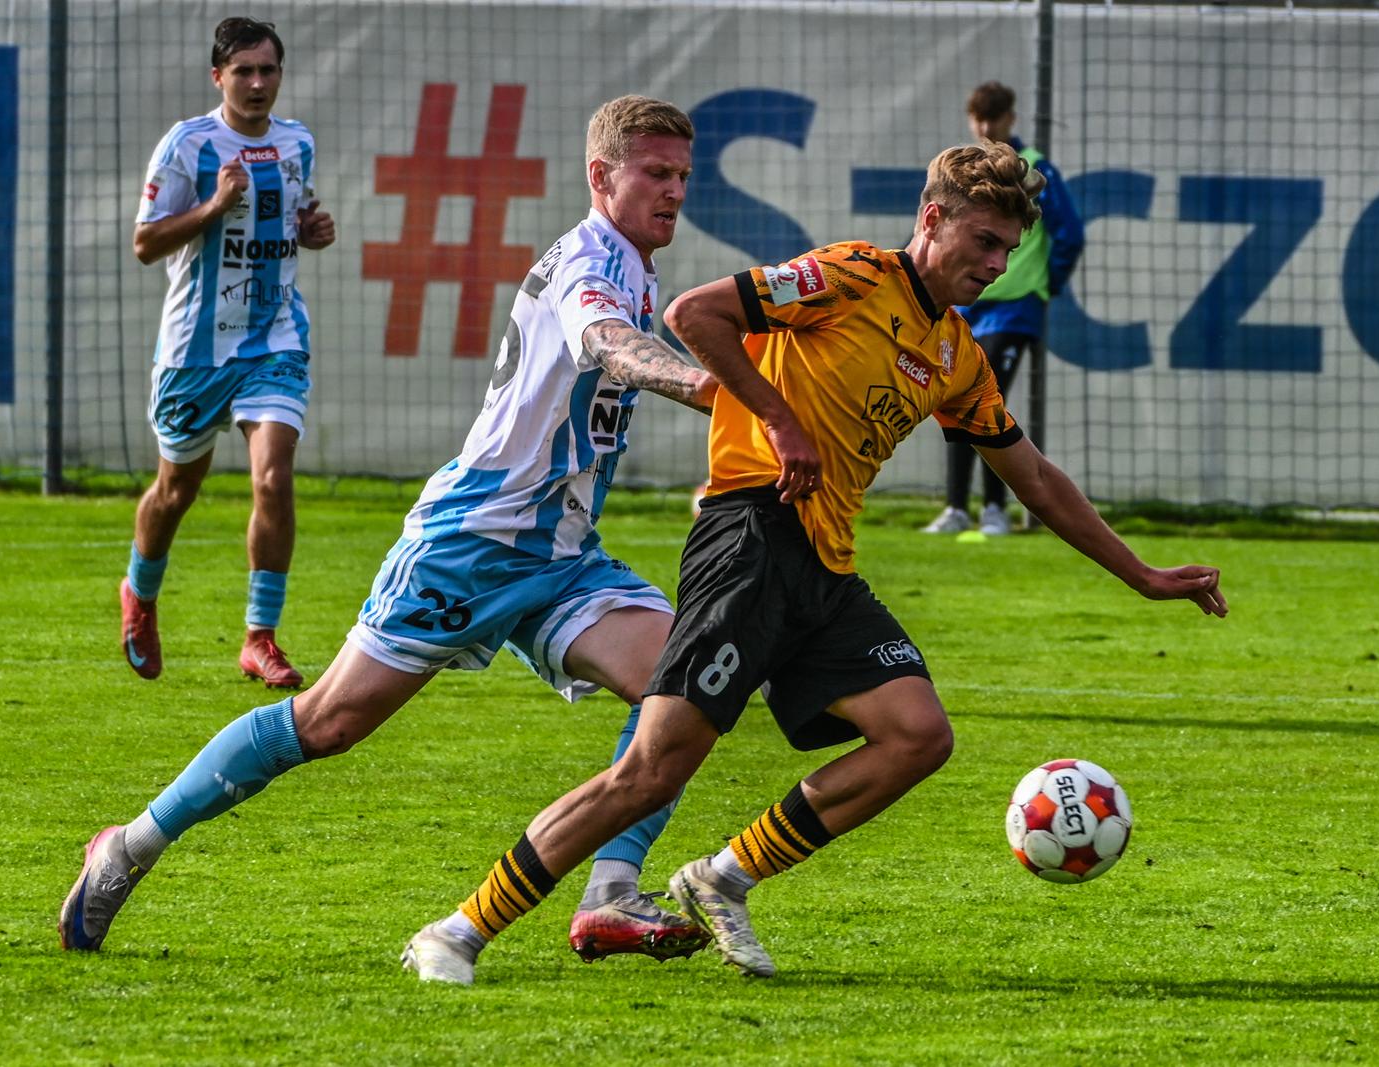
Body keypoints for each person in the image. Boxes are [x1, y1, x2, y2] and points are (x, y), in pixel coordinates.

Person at [403, 140, 1227, 983]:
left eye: (1008, 251)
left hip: (824, 568)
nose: (995, 264)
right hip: (750, 539)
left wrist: (1145, 576)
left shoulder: (957, 354)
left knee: (916, 735)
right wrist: (779, 418)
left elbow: (1037, 480)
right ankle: (459, 930)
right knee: (650, 771)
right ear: (932, 219)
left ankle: (723, 877)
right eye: (983, 241)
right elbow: (694, 314)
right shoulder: (852, 275)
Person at [61, 95, 722, 968]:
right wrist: (718, 391)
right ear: (602, 176)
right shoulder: (592, 263)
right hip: (473, 541)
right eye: (656, 173)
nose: (674, 191)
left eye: (682, 175)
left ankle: (610, 892)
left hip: (560, 553)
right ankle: (129, 844)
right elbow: (606, 342)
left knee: (684, 690)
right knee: (329, 721)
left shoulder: (636, 265)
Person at [120, 17, 336, 688]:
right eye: (243, 71)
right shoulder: (188, 144)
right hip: (196, 349)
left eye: (268, 70)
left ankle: (259, 637)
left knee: (272, 478)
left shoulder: (297, 142)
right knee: (174, 490)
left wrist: (310, 230)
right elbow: (146, 244)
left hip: (275, 338)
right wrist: (215, 205)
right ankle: (139, 595)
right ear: (219, 77)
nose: (257, 82)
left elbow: (290, 220)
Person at [924, 80, 1084, 537]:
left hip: (1013, 308)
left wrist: (1043, 284)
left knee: (986, 399)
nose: (985, 128)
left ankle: (994, 509)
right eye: (978, 119)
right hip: (967, 308)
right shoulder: (970, 173)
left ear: (1010, 118)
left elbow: (1069, 233)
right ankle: (957, 507)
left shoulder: (1034, 170)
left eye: (993, 118)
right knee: (952, 398)